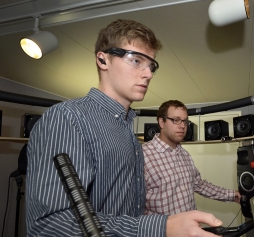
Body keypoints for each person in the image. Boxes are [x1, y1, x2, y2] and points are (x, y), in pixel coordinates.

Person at [26, 19, 223, 237]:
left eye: (151, 66)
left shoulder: (128, 133)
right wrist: (160, 227)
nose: (148, 74)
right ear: (103, 59)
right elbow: (48, 225)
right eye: (136, 60)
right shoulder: (68, 118)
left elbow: (127, 216)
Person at [143, 100, 241, 215]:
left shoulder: (184, 154)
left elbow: (198, 184)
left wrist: (232, 195)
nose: (183, 126)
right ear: (161, 122)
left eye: (185, 121)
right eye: (176, 120)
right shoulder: (142, 155)